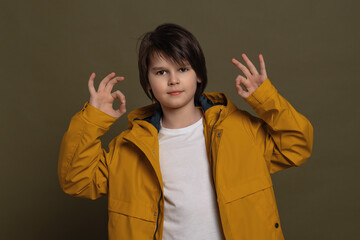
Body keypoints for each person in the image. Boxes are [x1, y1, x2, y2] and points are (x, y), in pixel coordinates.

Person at [58, 23, 313, 240]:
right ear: (148, 82)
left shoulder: (239, 129)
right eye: (161, 72)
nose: (173, 80)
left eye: (183, 69)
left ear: (198, 74)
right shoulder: (129, 148)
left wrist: (266, 99)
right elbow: (76, 180)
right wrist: (93, 118)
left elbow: (297, 145)